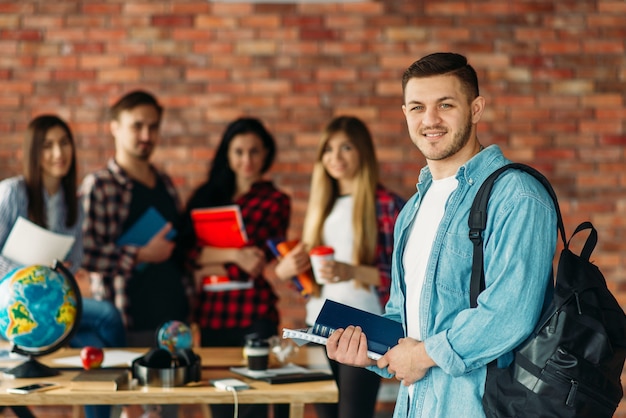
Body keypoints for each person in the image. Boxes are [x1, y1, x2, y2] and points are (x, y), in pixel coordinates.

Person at [326, 52, 558, 417]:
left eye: (445, 105)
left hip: (481, 407)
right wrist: (365, 348)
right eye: (417, 107)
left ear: (476, 108)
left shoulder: (516, 195)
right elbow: (403, 319)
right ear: (405, 113)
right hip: (416, 405)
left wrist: (420, 356)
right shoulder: (412, 210)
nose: (430, 120)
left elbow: (509, 314)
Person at [274, 115, 405, 418]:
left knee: (352, 414)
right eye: (329, 149)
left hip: (365, 327)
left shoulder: (386, 204)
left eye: (346, 147)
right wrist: (290, 271)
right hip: (319, 323)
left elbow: (402, 277)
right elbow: (311, 283)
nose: (336, 157)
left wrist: (352, 272)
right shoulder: (322, 207)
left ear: (363, 151)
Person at [0, 115, 126, 418]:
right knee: (108, 314)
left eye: (64, 143)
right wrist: (31, 268)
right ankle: (125, 402)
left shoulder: (73, 202)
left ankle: (113, 406)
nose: (59, 153)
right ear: (34, 152)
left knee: (96, 349)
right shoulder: (11, 192)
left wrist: (65, 265)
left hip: (51, 300)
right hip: (13, 301)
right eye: (48, 146)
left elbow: (78, 257)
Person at [80, 91, 193, 418]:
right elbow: (86, 254)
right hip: (125, 321)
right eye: (137, 126)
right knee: (119, 411)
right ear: (114, 127)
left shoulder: (166, 183)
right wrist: (140, 254)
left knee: (166, 413)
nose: (147, 135)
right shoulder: (99, 185)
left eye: (153, 127)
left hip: (173, 322)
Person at [180, 117, 290, 418]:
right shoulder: (206, 197)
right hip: (212, 312)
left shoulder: (275, 201)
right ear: (227, 154)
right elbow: (186, 254)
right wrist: (232, 254)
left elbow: (254, 259)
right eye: (239, 151)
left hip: (253, 309)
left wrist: (211, 257)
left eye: (254, 151)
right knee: (221, 400)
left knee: (253, 401)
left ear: (266, 153)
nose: (247, 160)